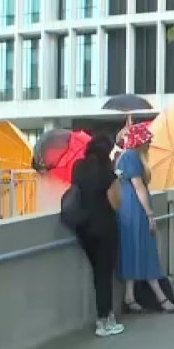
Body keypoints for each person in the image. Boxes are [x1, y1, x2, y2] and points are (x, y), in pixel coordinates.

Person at [115, 122, 174, 314]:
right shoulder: (133, 157)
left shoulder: (124, 157)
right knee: (146, 250)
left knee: (133, 250)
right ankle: (161, 298)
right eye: (147, 141)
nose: (149, 144)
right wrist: (150, 214)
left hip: (126, 208)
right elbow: (139, 187)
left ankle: (130, 296)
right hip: (136, 209)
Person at [70, 134, 124, 337]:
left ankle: (107, 316)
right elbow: (115, 203)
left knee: (96, 273)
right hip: (104, 228)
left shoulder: (78, 167)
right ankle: (104, 321)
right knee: (103, 275)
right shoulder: (106, 171)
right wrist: (116, 180)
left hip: (83, 227)